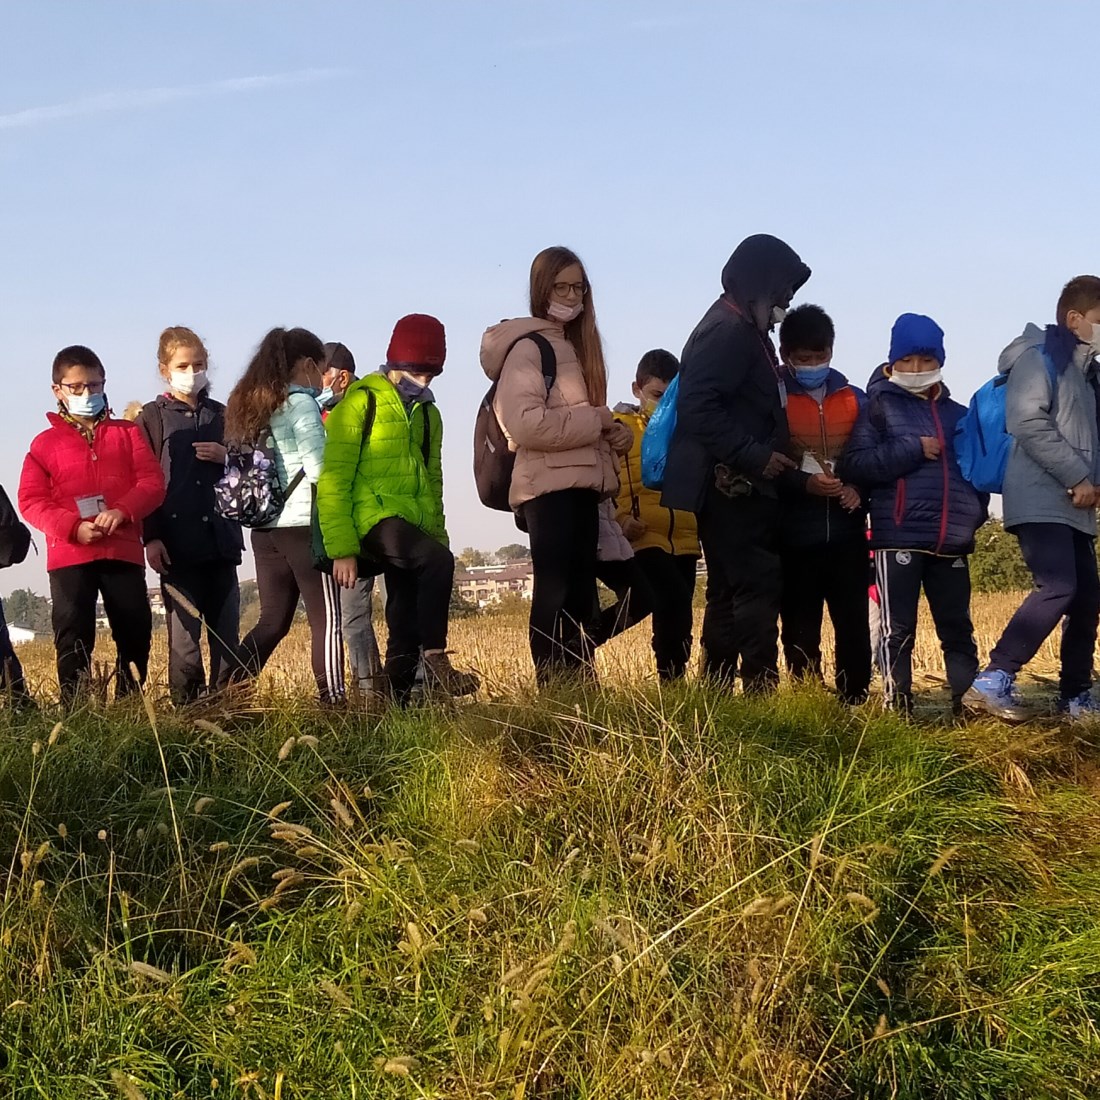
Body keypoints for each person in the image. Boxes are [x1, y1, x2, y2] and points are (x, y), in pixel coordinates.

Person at [661, 234, 812, 692]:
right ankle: (760, 693)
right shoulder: (728, 332)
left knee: (728, 591)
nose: (787, 300)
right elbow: (698, 408)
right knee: (756, 586)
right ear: (759, 282)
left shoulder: (744, 329)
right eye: (784, 289)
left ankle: (718, 694)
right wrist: (756, 455)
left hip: (736, 486)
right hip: (731, 487)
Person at [480, 246, 632, 685]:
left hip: (581, 487)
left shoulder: (574, 347)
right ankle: (553, 692)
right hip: (547, 491)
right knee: (555, 592)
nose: (570, 295)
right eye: (560, 286)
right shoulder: (529, 348)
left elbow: (575, 422)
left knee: (579, 595)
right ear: (540, 289)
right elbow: (526, 425)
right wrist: (597, 420)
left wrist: (611, 434)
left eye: (577, 286)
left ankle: (579, 689)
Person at [318, 314, 479, 704]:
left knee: (404, 625)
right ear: (394, 364)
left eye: (430, 375)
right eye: (415, 372)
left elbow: (433, 482)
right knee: (439, 561)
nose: (422, 383)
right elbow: (334, 477)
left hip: (412, 522)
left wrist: (436, 533)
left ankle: (394, 711)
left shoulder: (429, 414)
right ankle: (438, 662)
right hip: (371, 517)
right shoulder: (361, 401)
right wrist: (341, 548)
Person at [965, 276, 1100, 721]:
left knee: (1087, 599)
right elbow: (1027, 421)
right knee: (1059, 586)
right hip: (1040, 497)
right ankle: (994, 678)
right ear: (1074, 318)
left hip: (1074, 505)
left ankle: (1076, 697)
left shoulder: (1087, 374)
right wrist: (1079, 474)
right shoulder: (1038, 358)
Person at [839, 314, 987, 716]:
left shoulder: (960, 414)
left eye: (925, 360)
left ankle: (968, 706)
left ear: (940, 360)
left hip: (951, 541)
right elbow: (856, 464)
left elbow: (976, 471)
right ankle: (896, 710)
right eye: (908, 361)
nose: (917, 370)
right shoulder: (877, 408)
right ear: (892, 363)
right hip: (898, 535)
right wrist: (911, 449)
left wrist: (974, 514)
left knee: (958, 629)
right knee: (896, 631)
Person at [18, 345, 165, 704]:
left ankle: (130, 704)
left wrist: (122, 512)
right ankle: (76, 711)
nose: (88, 394)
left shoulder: (127, 434)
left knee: (134, 629)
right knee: (73, 635)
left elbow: (152, 483)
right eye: (77, 388)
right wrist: (72, 528)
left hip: (122, 548)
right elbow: (31, 501)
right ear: (59, 391)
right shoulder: (43, 445)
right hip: (70, 554)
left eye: (95, 386)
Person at [225, 327, 345, 705]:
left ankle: (222, 696)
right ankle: (335, 704)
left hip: (264, 529)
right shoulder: (301, 405)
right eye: (320, 369)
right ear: (308, 365)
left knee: (271, 622)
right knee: (326, 621)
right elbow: (319, 470)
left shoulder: (255, 404)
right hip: (302, 526)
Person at [136, 326, 244, 705]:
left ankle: (231, 710)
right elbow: (144, 481)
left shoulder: (223, 415)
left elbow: (251, 469)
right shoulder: (152, 418)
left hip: (222, 542)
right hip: (176, 549)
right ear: (166, 369)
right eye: (183, 365)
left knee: (227, 639)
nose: (192, 371)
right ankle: (187, 715)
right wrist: (150, 536)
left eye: (198, 364)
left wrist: (226, 456)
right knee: (184, 644)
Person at [776, 306, 871, 703]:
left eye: (821, 357)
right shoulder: (773, 397)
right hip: (794, 534)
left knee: (853, 623)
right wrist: (804, 485)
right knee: (799, 625)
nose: (814, 365)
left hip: (848, 532)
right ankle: (807, 699)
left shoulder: (856, 399)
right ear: (786, 357)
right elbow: (769, 461)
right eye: (804, 359)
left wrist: (857, 489)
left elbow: (869, 456)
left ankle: (855, 698)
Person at [610, 349, 700, 679]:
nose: (662, 404)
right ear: (637, 389)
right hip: (643, 534)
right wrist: (621, 521)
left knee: (679, 617)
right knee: (668, 599)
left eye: (669, 396)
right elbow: (609, 484)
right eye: (655, 395)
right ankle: (581, 640)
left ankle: (673, 683)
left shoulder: (687, 433)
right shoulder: (620, 428)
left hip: (686, 538)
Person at [318, 341, 384, 699]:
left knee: (392, 609)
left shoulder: (368, 406)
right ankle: (374, 694)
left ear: (341, 377)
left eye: (321, 376)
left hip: (375, 524)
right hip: (352, 531)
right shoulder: (323, 415)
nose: (316, 386)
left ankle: (406, 688)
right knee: (354, 617)